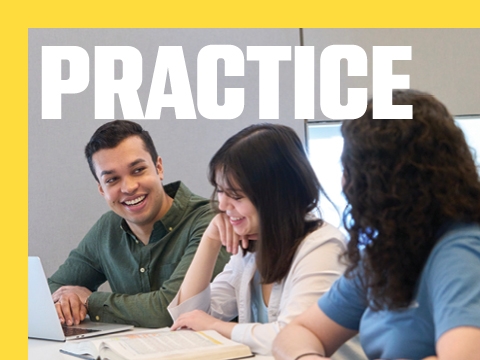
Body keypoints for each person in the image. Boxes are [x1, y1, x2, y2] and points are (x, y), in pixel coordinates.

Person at [272, 89, 480, 360]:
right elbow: (296, 333)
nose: (344, 184)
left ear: (386, 181)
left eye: (348, 170)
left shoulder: (460, 251)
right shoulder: (390, 250)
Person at [168, 123, 365, 358]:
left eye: (235, 195)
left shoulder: (322, 247)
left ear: (276, 197)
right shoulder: (252, 247)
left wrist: (216, 326)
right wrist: (210, 240)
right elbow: (188, 318)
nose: (222, 205)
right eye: (220, 190)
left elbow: (292, 338)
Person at [48, 120, 230, 328]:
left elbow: (170, 310)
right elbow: (53, 289)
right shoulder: (107, 229)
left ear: (158, 168)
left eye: (137, 170)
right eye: (112, 180)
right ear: (101, 189)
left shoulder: (210, 221)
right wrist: (66, 300)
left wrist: (90, 301)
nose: (129, 187)